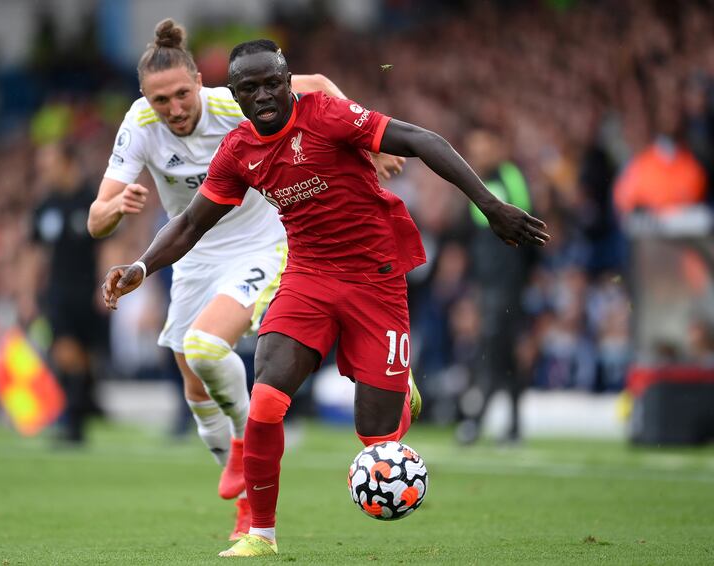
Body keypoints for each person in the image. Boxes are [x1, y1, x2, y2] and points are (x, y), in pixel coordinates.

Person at [101, 40, 550, 557]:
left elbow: (422, 139)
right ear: (237, 96)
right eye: (250, 88)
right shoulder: (239, 151)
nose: (264, 95)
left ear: (288, 79)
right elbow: (189, 225)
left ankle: (397, 392)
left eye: (273, 82)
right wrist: (140, 266)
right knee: (266, 399)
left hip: (374, 278)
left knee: (376, 439)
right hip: (308, 276)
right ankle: (260, 534)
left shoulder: (328, 115)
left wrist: (491, 206)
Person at [87, 20, 403, 541]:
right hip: (192, 250)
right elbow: (96, 219)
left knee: (207, 346)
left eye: (182, 93)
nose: (175, 108)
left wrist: (366, 143)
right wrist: (117, 207)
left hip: (262, 240)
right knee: (195, 382)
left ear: (199, 82)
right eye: (160, 100)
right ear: (145, 99)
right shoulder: (139, 124)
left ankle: (247, 444)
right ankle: (239, 485)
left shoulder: (233, 101)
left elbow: (319, 86)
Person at [455, 128, 537, 445]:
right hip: (486, 282)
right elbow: (469, 236)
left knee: (492, 350)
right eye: (472, 148)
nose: (476, 154)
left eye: (482, 147)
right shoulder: (476, 182)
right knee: (503, 354)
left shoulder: (510, 176)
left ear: (497, 147)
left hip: (507, 281)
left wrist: (524, 277)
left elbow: (528, 220)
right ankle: (514, 426)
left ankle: (475, 422)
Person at [31, 141, 105, 444]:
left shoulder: (92, 200)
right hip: (57, 292)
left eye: (48, 165)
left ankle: (82, 413)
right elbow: (34, 251)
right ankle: (73, 419)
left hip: (88, 289)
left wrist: (106, 285)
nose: (44, 172)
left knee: (85, 358)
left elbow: (108, 244)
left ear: (67, 163)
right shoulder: (45, 206)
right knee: (64, 352)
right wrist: (27, 292)